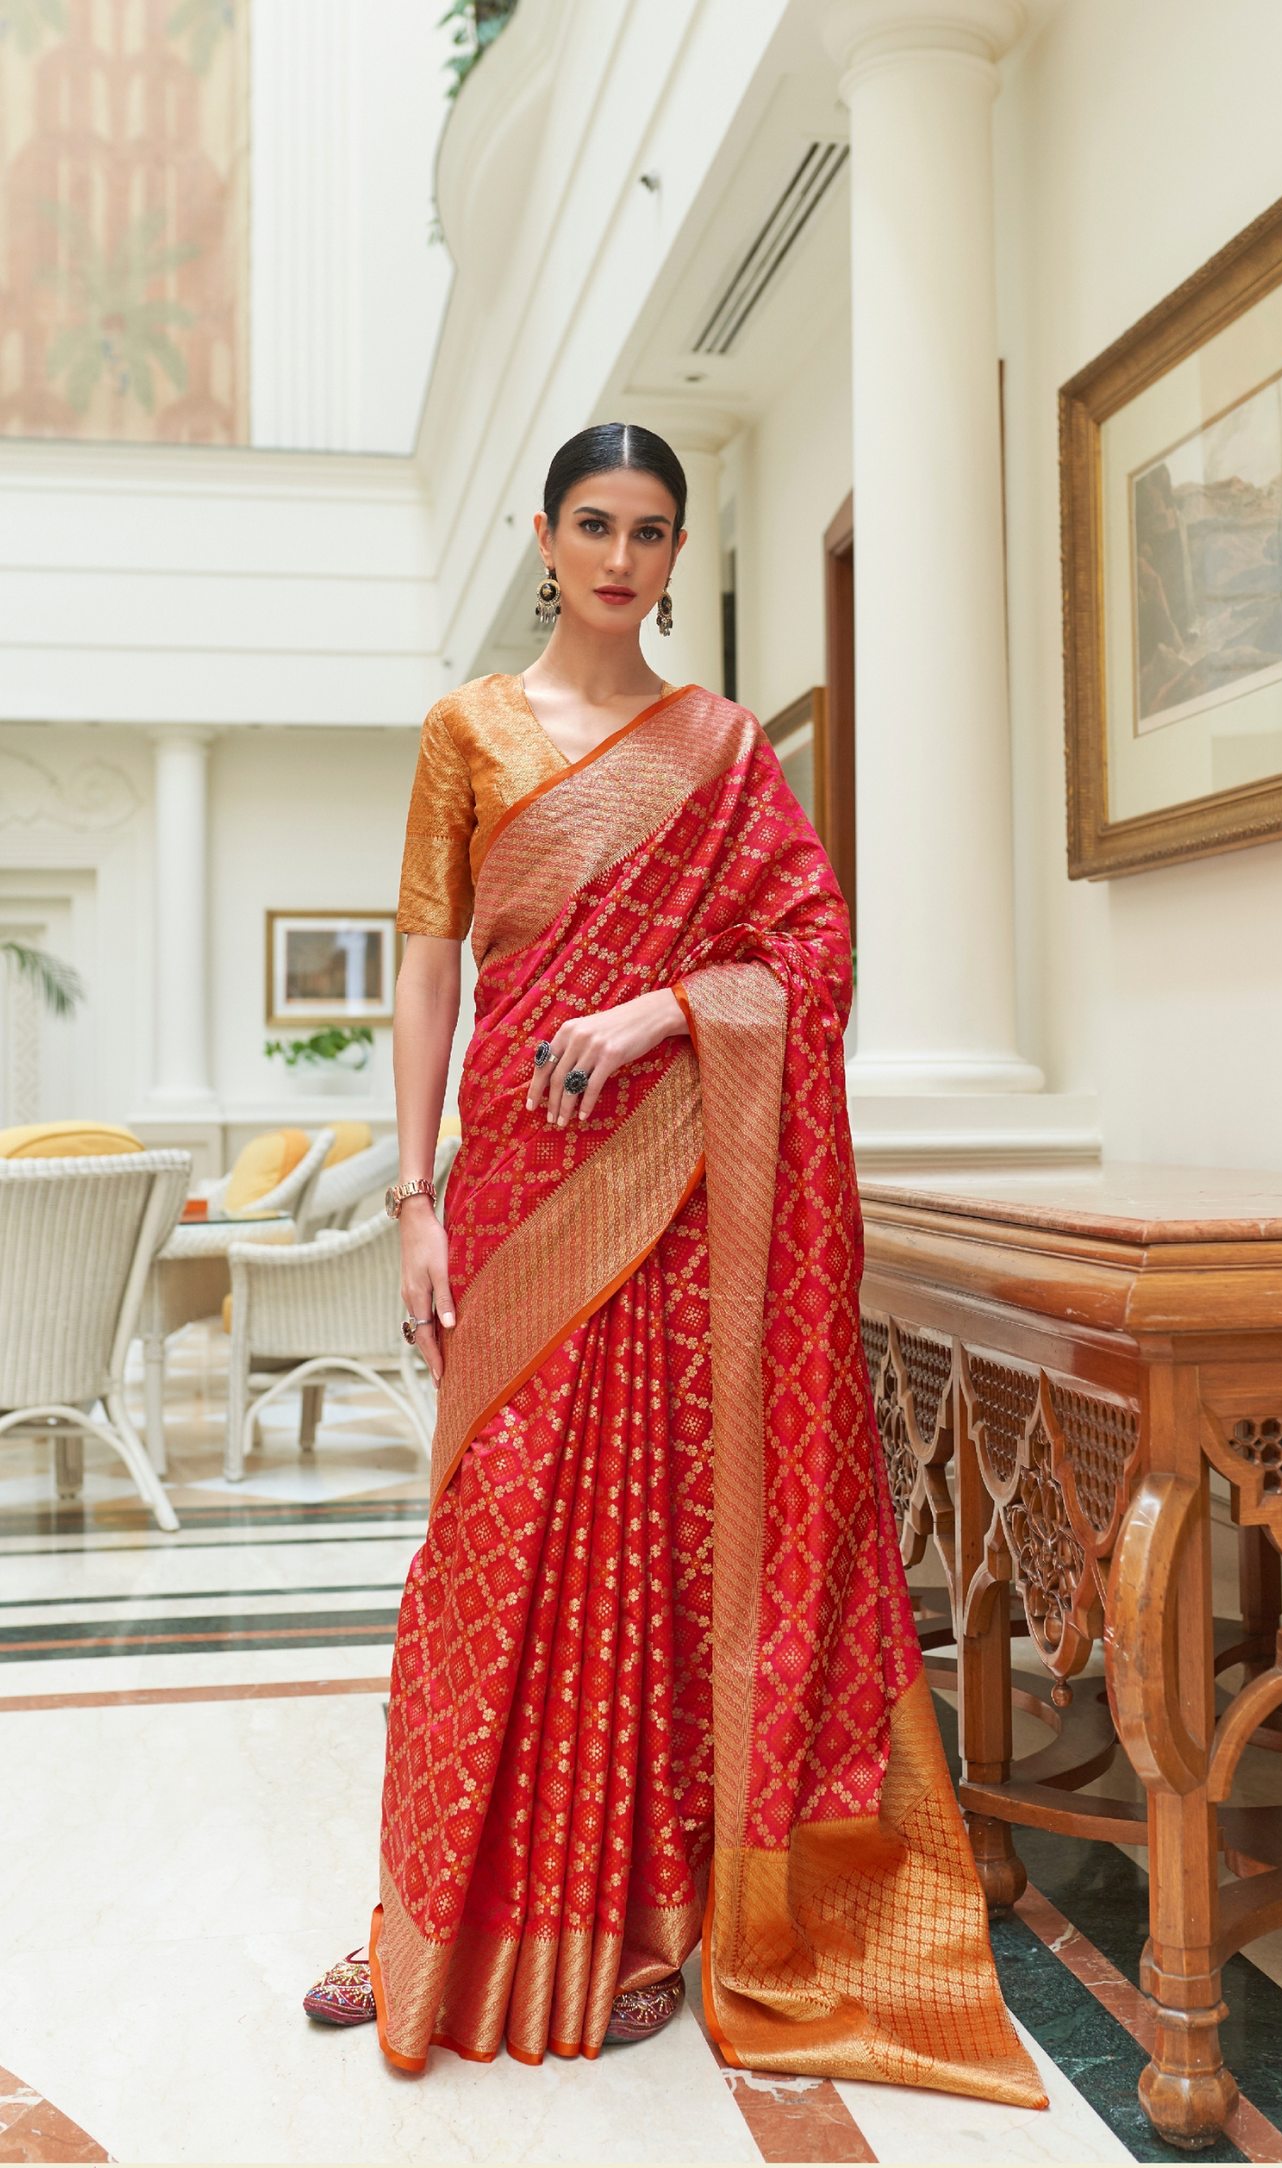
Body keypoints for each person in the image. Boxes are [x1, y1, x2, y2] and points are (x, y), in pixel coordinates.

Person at [304, 422, 1044, 2105]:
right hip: (507, 1179)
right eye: (594, 525)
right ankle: (419, 1908)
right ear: (545, 537)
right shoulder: (467, 734)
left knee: (642, 1534)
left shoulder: (714, 748)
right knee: (484, 1535)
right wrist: (411, 1193)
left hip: (674, 1186)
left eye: (652, 530)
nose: (622, 557)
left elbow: (810, 941)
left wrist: (662, 1010)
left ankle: (632, 1918)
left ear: (673, 548)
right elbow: (427, 972)